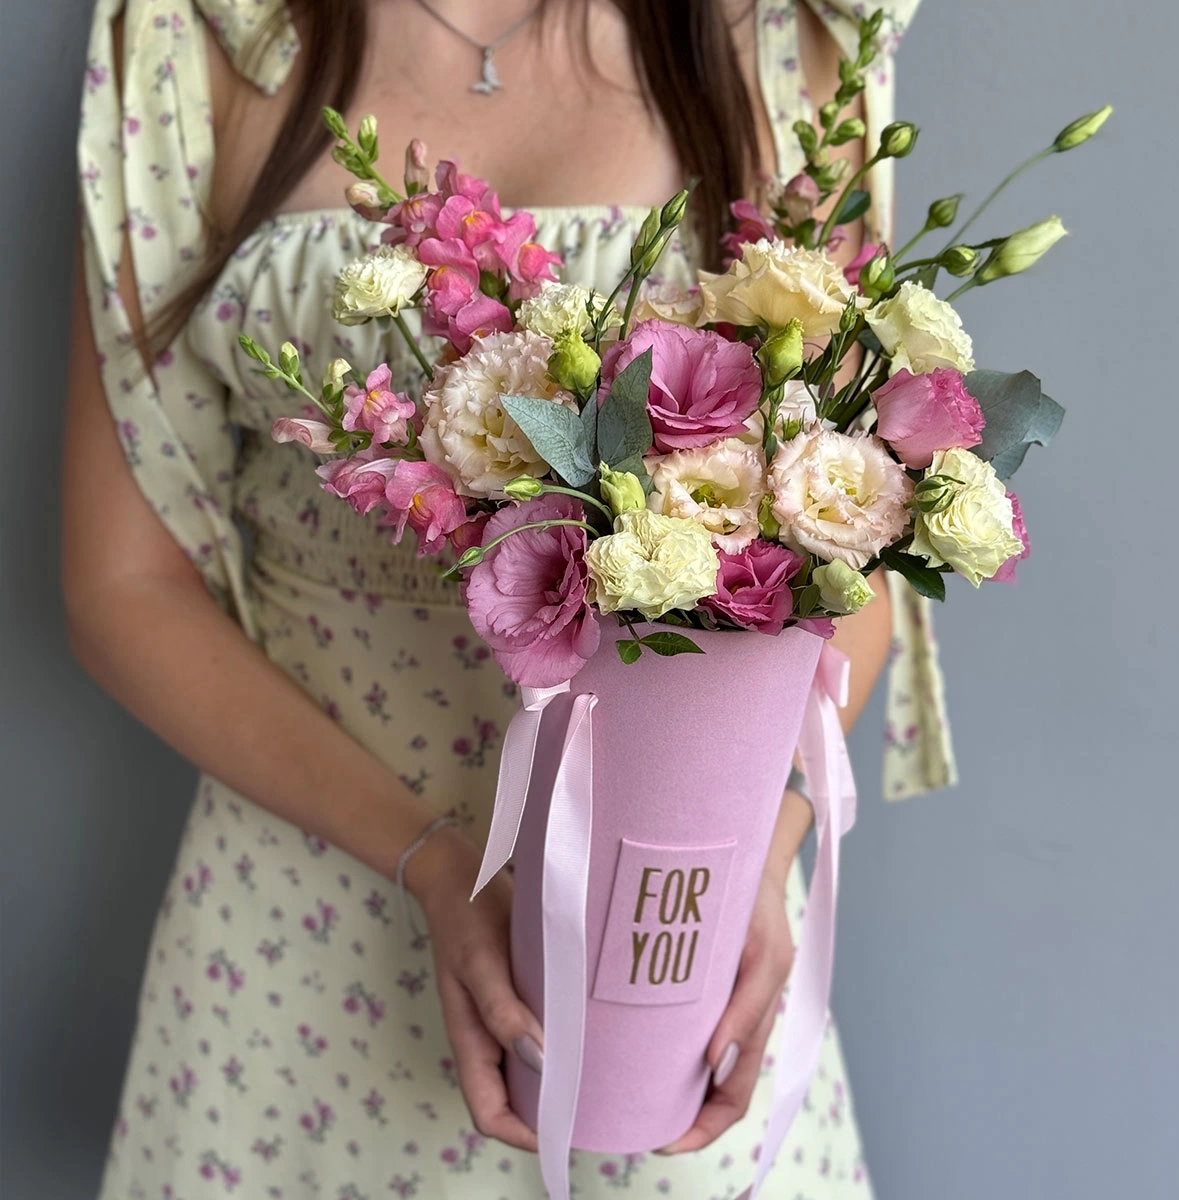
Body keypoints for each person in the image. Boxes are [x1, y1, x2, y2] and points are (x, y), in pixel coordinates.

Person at [67, 1, 952, 1195]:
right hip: (304, 909)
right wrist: (434, 863)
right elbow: (125, 582)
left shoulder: (785, 35)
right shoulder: (200, 35)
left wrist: (760, 852)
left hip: (671, 932)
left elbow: (857, 534)